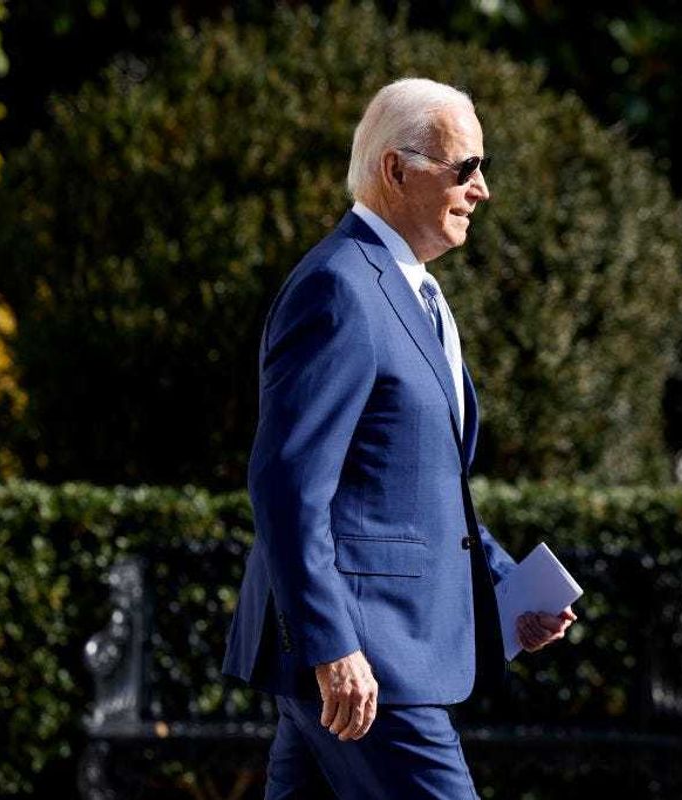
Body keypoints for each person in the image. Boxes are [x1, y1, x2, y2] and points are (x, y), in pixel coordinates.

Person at [222, 77, 576, 799]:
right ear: (395, 170)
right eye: (465, 168)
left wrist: (507, 585)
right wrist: (334, 647)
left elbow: (409, 485)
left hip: (376, 655)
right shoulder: (341, 288)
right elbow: (287, 486)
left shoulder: (413, 291)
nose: (482, 190)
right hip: (371, 659)